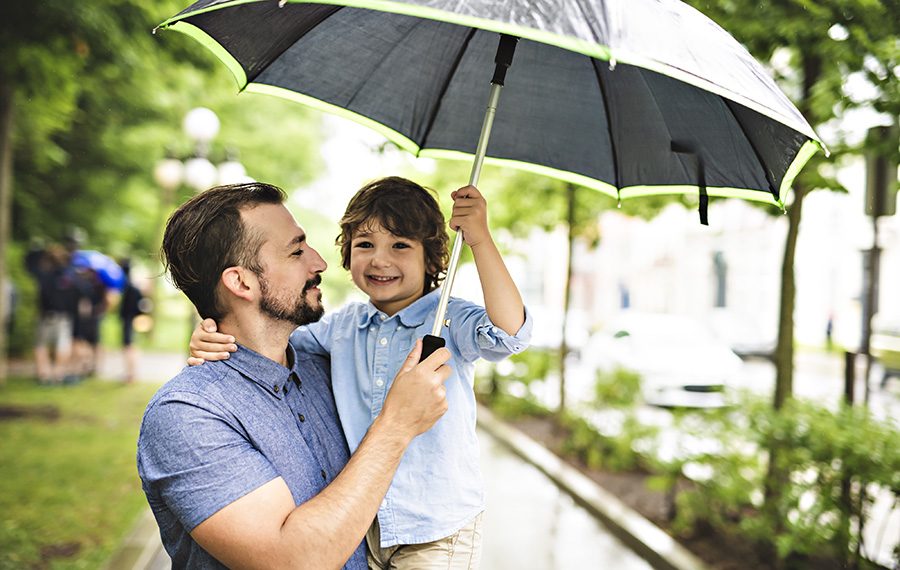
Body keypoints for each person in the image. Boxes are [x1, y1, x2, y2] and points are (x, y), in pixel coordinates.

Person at [190, 176, 532, 569]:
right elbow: (271, 342)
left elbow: (509, 334)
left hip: (435, 527)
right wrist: (215, 332)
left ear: (433, 259)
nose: (380, 260)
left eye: (400, 245)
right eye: (365, 245)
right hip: (364, 524)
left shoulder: (451, 320)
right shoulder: (344, 326)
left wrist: (481, 241)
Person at [137, 182, 452, 570]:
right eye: (297, 251)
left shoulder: (331, 368)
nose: (320, 262)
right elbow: (291, 561)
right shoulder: (187, 415)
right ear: (241, 283)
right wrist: (397, 425)